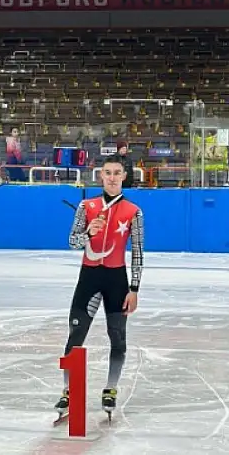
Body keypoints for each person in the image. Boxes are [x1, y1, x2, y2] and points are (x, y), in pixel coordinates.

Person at [56, 154, 144, 417]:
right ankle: (68, 391)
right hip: (89, 278)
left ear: (124, 176)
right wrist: (88, 234)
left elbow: (138, 252)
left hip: (116, 281)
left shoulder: (134, 212)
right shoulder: (86, 206)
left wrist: (135, 289)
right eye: (108, 172)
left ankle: (111, 388)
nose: (113, 177)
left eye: (117, 172)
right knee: (75, 337)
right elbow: (72, 242)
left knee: (117, 338)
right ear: (101, 176)